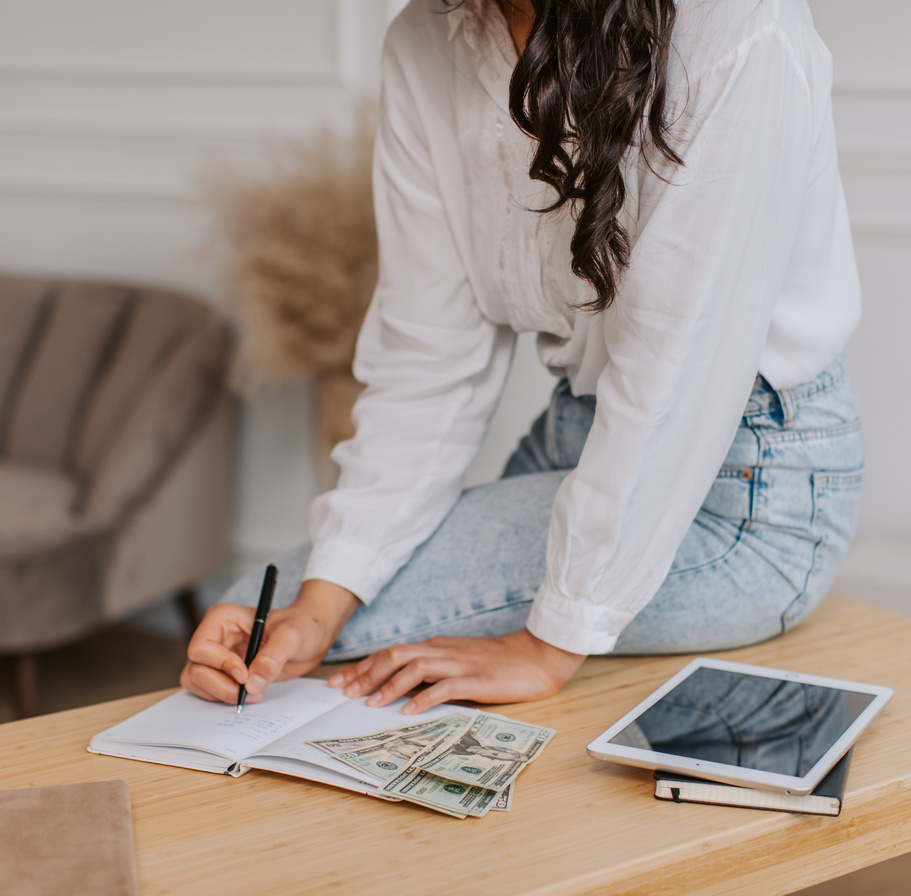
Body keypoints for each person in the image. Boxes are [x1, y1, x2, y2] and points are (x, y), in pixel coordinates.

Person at [182, 0, 864, 716]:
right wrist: (322, 601)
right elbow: (429, 360)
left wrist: (548, 648)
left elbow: (678, 372)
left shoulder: (735, 26)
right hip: (580, 438)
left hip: (748, 496)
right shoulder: (425, 41)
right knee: (273, 627)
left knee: (261, 624)